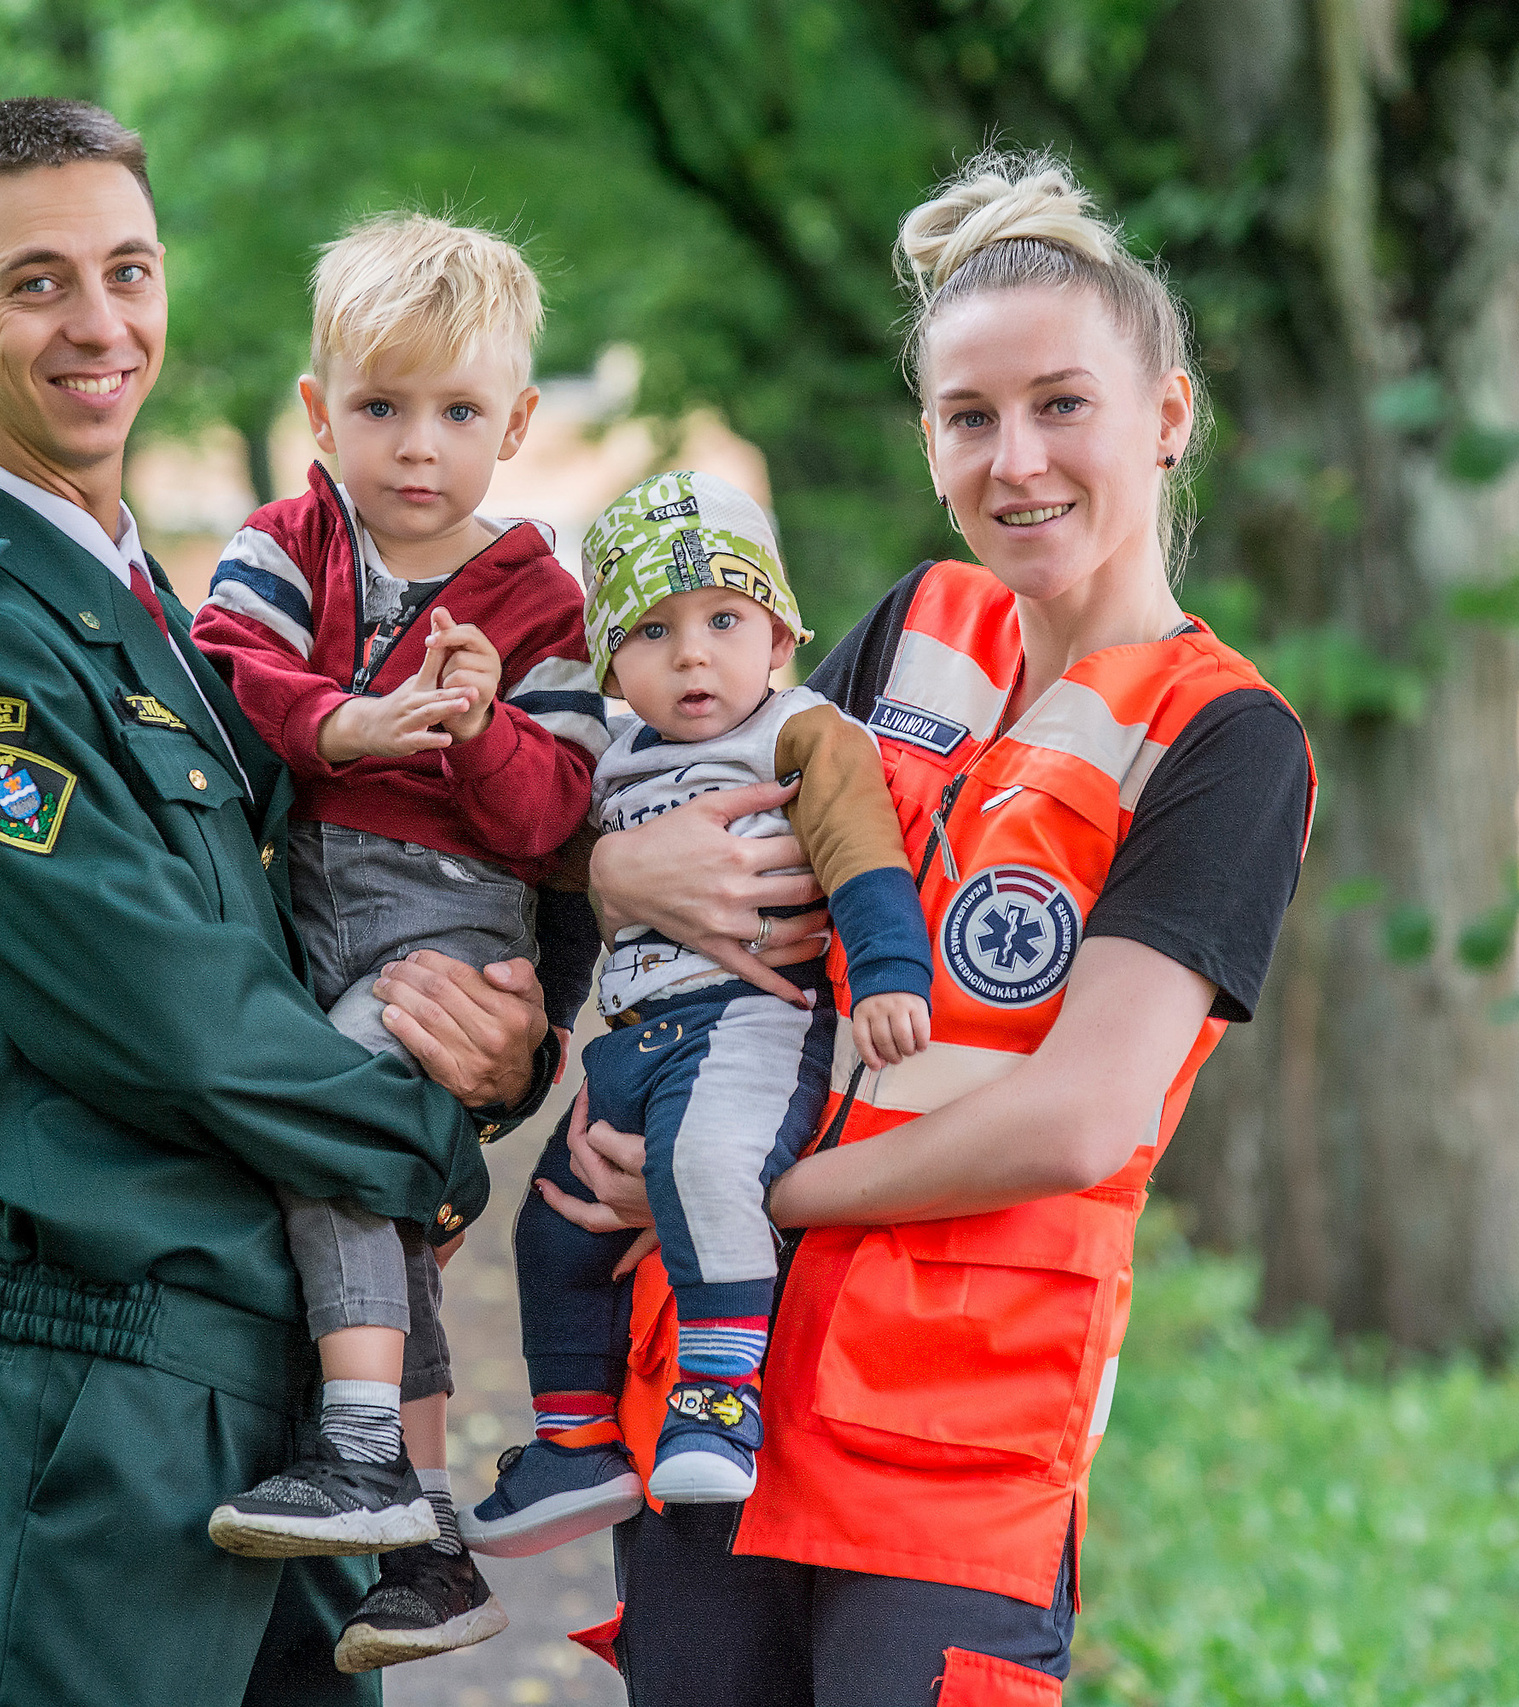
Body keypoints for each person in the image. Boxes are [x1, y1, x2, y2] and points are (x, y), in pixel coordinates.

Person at [0, 98, 551, 1707]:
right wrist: (423, 1150)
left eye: (127, 270)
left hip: (280, 1383)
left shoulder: (147, 603)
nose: (100, 323)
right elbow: (185, 1022)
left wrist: (498, 1045)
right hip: (106, 1380)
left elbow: (343, 909)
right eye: (39, 281)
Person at [535, 149, 1317, 1705]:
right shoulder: (915, 627)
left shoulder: (1226, 740)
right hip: (721, 1388)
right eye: (971, 417)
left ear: (1167, 416)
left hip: (951, 1450)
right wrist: (616, 883)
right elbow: (686, 817)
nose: (1016, 457)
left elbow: (1083, 1112)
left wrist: (759, 1181)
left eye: (1062, 403)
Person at [187, 213, 605, 1670]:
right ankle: (428, 1549)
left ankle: (360, 1444)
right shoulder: (292, 543)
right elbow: (223, 673)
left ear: (518, 423)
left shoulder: (541, 600)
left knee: (339, 1121)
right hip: (314, 912)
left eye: (458, 413)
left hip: (444, 920)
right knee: (378, 1202)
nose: (416, 447)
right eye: (379, 407)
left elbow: (559, 818)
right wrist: (338, 718)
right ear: (320, 409)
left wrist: (483, 727)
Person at [461, 469, 931, 1553]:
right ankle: (572, 1444)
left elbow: (860, 850)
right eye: (653, 632)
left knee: (708, 1167)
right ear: (612, 661)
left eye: (725, 619)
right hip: (631, 1044)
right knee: (550, 1220)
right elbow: (558, 852)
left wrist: (892, 971)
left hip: (746, 1020)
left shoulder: (801, 734)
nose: (692, 655)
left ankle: (720, 1399)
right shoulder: (616, 761)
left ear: (776, 633)